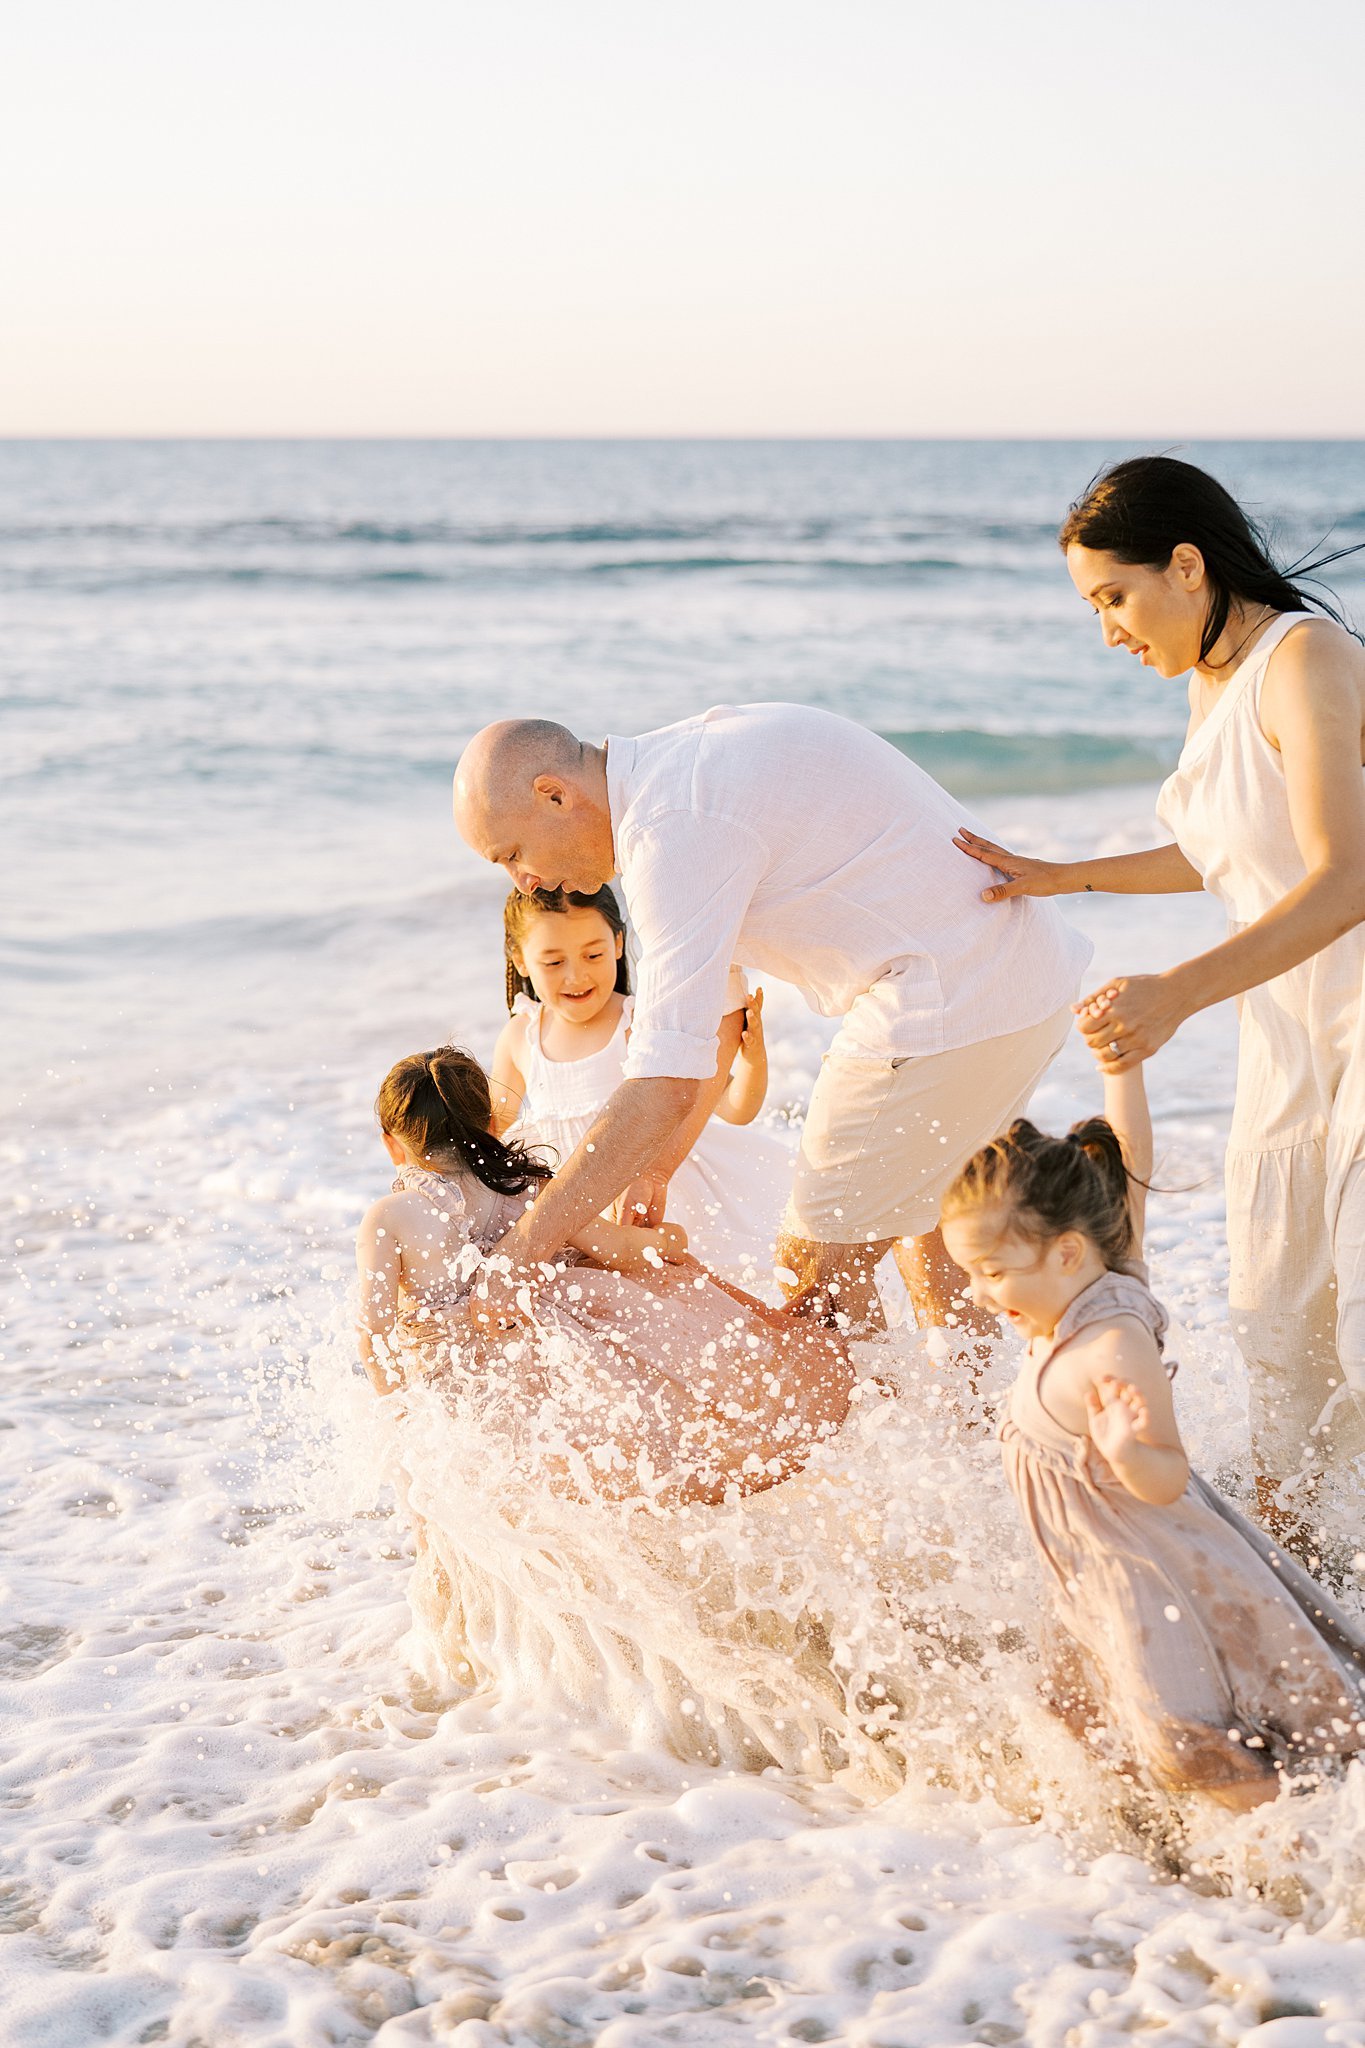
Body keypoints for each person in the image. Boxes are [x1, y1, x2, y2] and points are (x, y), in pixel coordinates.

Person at [955, 455, 1365, 1544]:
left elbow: (1345, 873)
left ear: (1186, 565)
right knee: (1285, 1344)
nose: (1109, 633)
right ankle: (1309, 1604)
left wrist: (1178, 991)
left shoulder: (1305, 656)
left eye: (1114, 599)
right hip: (1287, 1049)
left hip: (1360, 1027)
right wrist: (1065, 874)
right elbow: (1223, 844)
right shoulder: (1213, 683)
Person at [451, 704, 1092, 1334]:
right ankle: (969, 1428)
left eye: (512, 853)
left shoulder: (671, 832)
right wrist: (653, 1166)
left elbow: (663, 1082)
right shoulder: (681, 773)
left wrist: (520, 1254)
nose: (524, 882)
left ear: (553, 794)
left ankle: (883, 1435)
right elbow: (718, 1022)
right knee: (928, 1231)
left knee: (814, 1265)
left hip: (950, 997)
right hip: (1021, 975)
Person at [940, 1039, 1365, 1811]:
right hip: (1086, 1571)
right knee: (1075, 1717)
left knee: (1192, 1749)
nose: (974, 1294)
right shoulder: (1097, 1275)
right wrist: (1121, 1069)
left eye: (991, 1271)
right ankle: (1142, 1859)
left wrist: (1128, 1452)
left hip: (1148, 1576)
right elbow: (1127, 1171)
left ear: (1065, 1252)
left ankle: (1312, 1869)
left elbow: (1167, 1474)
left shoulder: (1109, 1344)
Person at [354, 1045, 854, 1506]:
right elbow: (624, 1251)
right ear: (489, 1122)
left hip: (463, 1397)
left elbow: (373, 1336)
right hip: (553, 1384)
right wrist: (671, 1241)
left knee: (475, 1513)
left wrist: (403, 1418)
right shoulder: (532, 1193)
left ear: (391, 1144)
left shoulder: (391, 1216)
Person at [490, 883, 789, 1283]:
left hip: (661, 1201)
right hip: (576, 1212)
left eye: (593, 954)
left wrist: (754, 1061)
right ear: (521, 961)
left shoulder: (641, 1024)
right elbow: (492, 1133)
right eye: (553, 962)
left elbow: (736, 1109)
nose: (576, 975)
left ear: (617, 943)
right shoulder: (520, 1036)